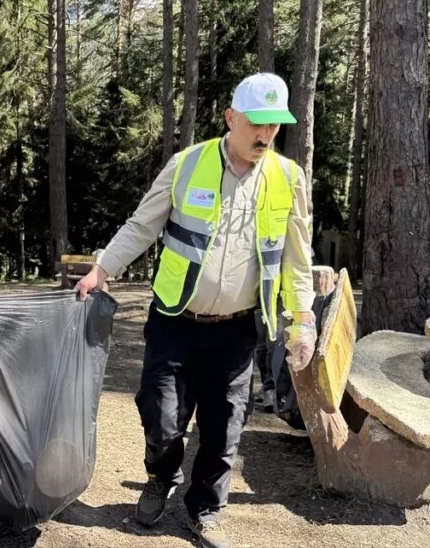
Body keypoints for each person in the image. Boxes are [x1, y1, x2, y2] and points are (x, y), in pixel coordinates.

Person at [76, 73, 316, 548]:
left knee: (225, 425)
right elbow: (141, 225)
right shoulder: (187, 165)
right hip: (174, 321)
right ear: (231, 118)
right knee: (162, 419)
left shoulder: (289, 178)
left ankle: (205, 507)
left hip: (237, 330)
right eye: (257, 123)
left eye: (275, 125)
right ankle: (160, 476)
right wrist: (101, 270)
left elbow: (297, 257)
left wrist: (303, 320)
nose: (265, 135)